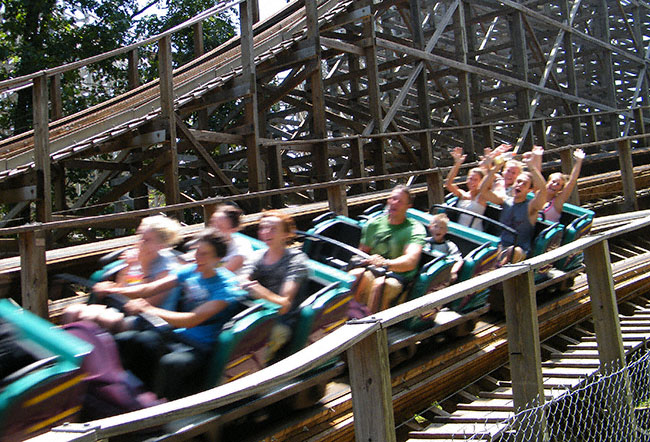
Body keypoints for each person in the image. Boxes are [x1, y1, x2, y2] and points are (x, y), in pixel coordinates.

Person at [93, 229, 243, 399]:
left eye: (204, 254)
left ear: (218, 259)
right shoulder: (192, 270)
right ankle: (123, 395)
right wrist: (115, 289)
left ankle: (161, 410)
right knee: (131, 340)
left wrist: (148, 309)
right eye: (197, 252)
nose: (197, 257)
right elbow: (150, 288)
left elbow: (191, 320)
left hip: (202, 346)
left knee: (171, 363)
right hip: (177, 336)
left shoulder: (226, 288)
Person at [62, 215, 182, 332]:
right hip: (123, 306)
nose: (140, 243)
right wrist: (128, 266)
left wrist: (144, 264)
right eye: (140, 238)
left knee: (101, 318)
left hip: (149, 318)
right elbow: (123, 286)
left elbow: (147, 303)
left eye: (146, 240)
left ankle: (93, 348)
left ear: (160, 245)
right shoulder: (140, 257)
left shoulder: (166, 269)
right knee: (72, 311)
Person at [240, 210, 310, 359]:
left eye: (273, 229)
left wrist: (258, 290)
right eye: (263, 228)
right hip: (256, 315)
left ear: (286, 234)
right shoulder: (257, 256)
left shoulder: (296, 260)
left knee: (262, 339)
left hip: (282, 321)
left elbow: (284, 304)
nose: (266, 232)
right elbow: (243, 279)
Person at [349, 185, 426, 315]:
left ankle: (374, 329)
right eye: (392, 199)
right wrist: (366, 260)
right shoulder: (374, 225)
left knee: (380, 285)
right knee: (354, 275)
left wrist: (386, 263)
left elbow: (410, 261)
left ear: (408, 206)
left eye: (399, 201)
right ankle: (347, 318)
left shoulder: (414, 229)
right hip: (374, 270)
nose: (394, 203)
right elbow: (362, 253)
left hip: (398, 276)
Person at [480, 148, 547, 262]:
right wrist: (496, 167)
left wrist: (531, 166)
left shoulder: (531, 206)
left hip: (520, 250)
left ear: (529, 190)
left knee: (512, 251)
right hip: (501, 246)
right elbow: (483, 190)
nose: (519, 185)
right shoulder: (505, 200)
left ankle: (500, 267)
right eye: (518, 182)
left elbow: (543, 189)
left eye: (524, 184)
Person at [445, 147, 490, 230]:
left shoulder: (482, 197)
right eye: (470, 179)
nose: (471, 182)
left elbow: (490, 182)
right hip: (459, 231)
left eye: (475, 180)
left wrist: (488, 166)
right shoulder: (462, 194)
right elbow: (448, 184)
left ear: (481, 181)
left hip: (475, 233)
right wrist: (457, 164)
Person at [541, 148, 585, 222]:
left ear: (560, 189)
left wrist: (579, 161)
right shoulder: (537, 194)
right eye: (553, 181)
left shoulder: (557, 202)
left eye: (558, 184)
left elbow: (572, 181)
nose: (554, 185)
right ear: (547, 182)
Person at [209, 203, 253, 274]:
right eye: (212, 224)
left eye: (220, 227)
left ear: (233, 230)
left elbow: (222, 274)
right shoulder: (207, 244)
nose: (214, 230)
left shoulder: (240, 248)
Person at [427, 214, 463, 283]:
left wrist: (453, 272)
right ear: (430, 228)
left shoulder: (450, 246)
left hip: (441, 275)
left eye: (442, 228)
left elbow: (459, 260)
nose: (438, 230)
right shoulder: (425, 242)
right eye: (435, 226)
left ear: (446, 231)